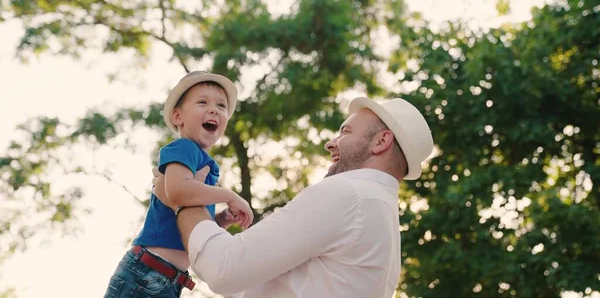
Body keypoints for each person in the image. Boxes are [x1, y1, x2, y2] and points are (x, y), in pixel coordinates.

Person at [152, 96, 434, 298]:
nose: (330, 142)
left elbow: (225, 269)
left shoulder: (346, 193)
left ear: (381, 142)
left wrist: (181, 201)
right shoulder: (380, 215)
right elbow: (248, 287)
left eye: (345, 131)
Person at [103, 71, 254, 298]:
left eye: (221, 106)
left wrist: (220, 220)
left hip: (167, 280)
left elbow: (190, 223)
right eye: (202, 102)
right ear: (178, 117)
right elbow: (177, 192)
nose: (214, 109)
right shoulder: (183, 148)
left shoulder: (204, 163)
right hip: (147, 273)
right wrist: (228, 195)